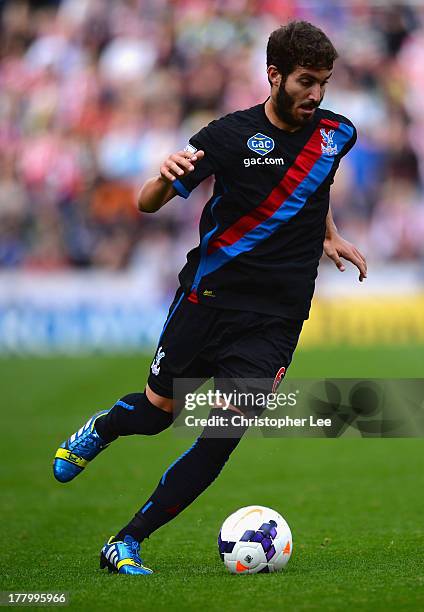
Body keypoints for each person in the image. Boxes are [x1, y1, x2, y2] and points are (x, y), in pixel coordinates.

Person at [53, 20, 367, 575]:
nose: (316, 95)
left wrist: (329, 233)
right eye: (305, 82)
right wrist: (159, 176)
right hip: (209, 299)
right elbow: (150, 203)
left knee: (220, 437)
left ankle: (126, 540)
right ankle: (103, 428)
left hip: (277, 320)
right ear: (274, 76)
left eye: (324, 82)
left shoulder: (337, 133)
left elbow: (317, 183)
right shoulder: (226, 136)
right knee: (155, 416)